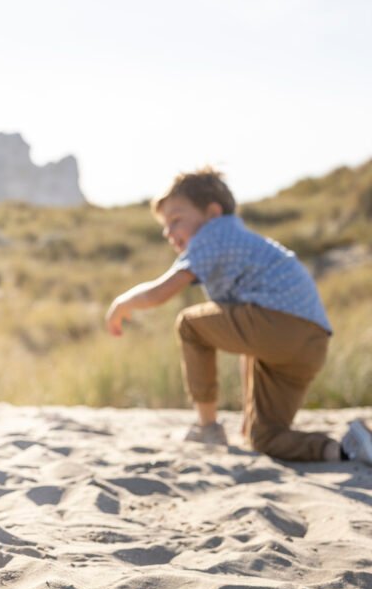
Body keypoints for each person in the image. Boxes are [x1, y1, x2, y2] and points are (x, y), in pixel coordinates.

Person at [105, 166, 372, 466]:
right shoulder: (241, 245)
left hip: (281, 325)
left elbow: (162, 291)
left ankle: (207, 428)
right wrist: (249, 414)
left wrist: (122, 303)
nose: (169, 232)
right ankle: (348, 450)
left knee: (190, 325)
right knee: (264, 437)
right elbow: (251, 344)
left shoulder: (215, 232)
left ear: (212, 212)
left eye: (176, 220)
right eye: (165, 226)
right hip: (310, 343)